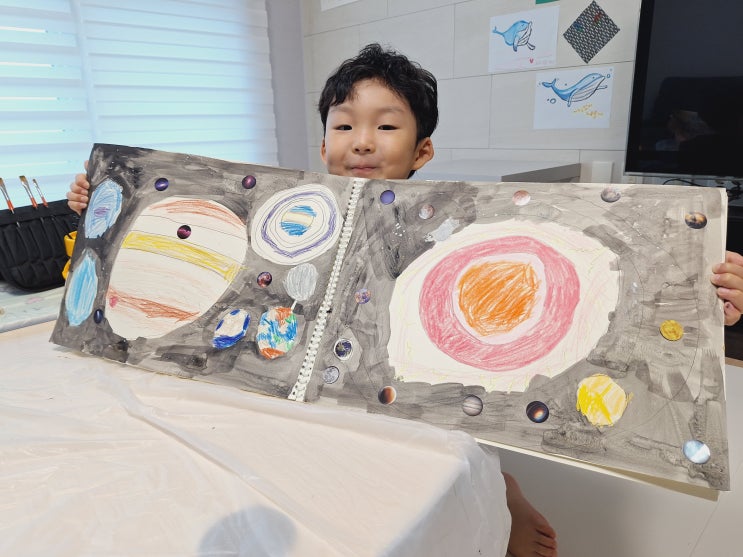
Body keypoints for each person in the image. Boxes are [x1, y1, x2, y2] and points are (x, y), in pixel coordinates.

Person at [66, 43, 743, 557]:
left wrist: (701, 293)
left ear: (422, 150)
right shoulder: (296, 210)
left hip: (413, 369)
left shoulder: (454, 220)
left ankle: (502, 489)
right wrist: (104, 207)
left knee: (456, 406)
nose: (361, 141)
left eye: (385, 127)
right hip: (318, 372)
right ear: (324, 141)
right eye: (343, 126)